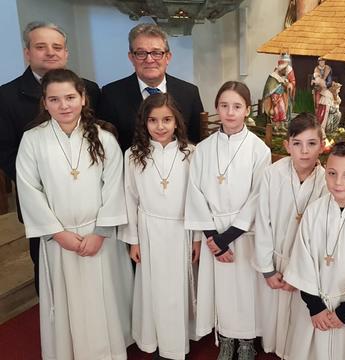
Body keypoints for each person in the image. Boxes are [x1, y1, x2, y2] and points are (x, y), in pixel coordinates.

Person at [15, 69, 133, 360]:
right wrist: (58, 233)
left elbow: (115, 185)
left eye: (70, 97)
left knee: (103, 299)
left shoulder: (104, 138)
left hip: (99, 238)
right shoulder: (32, 140)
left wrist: (100, 232)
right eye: (55, 99)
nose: (64, 105)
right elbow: (29, 189)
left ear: (83, 98)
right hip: (61, 238)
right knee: (71, 304)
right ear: (45, 103)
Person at [0, 21, 100, 295]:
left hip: (89, 204)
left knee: (95, 274)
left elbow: (98, 142)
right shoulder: (6, 96)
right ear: (27, 53)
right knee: (49, 274)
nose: (50, 53)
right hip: (43, 204)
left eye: (57, 47)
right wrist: (51, 186)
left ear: (66, 53)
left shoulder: (90, 88)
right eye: (40, 46)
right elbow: (6, 151)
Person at [185, 81, 271, 360]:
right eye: (224, 106)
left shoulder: (259, 150)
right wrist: (213, 237)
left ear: (247, 110)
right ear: (216, 109)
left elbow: (259, 196)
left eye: (237, 106)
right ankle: (225, 337)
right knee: (221, 290)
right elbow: (195, 192)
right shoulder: (204, 149)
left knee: (245, 289)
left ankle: (246, 339)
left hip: (242, 234)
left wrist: (226, 238)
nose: (230, 112)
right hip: (214, 236)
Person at [284, 138, 345, 360]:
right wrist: (315, 306)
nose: (338, 182)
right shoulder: (314, 211)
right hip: (314, 308)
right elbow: (302, 259)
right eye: (331, 173)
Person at [120, 93, 201, 359]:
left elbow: (198, 198)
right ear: (144, 123)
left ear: (177, 122)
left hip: (181, 230)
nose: (161, 126)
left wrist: (197, 239)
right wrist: (134, 240)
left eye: (167, 119)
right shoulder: (133, 156)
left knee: (177, 290)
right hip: (149, 230)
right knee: (153, 288)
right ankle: (154, 338)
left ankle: (178, 341)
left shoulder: (191, 153)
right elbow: (130, 199)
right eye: (153, 120)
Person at [254, 112, 327, 358]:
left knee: (298, 324)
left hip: (306, 269)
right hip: (276, 262)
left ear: (323, 145)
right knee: (274, 324)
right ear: (287, 145)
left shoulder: (327, 182)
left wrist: (299, 274)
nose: (304, 151)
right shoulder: (272, 174)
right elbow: (263, 222)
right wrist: (267, 268)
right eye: (297, 143)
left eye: (311, 143)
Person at [99, 24, 204, 150]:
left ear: (168, 57)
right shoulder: (111, 94)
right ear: (131, 57)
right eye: (141, 53)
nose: (149, 59)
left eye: (156, 53)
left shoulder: (189, 93)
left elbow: (197, 141)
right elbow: (107, 146)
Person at [262, 53, 296, 132]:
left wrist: (288, 85)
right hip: (275, 97)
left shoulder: (284, 77)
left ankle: (282, 125)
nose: (285, 72)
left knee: (283, 110)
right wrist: (273, 98)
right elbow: (269, 87)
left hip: (281, 96)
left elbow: (289, 84)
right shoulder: (274, 76)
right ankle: (276, 126)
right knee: (276, 111)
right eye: (284, 70)